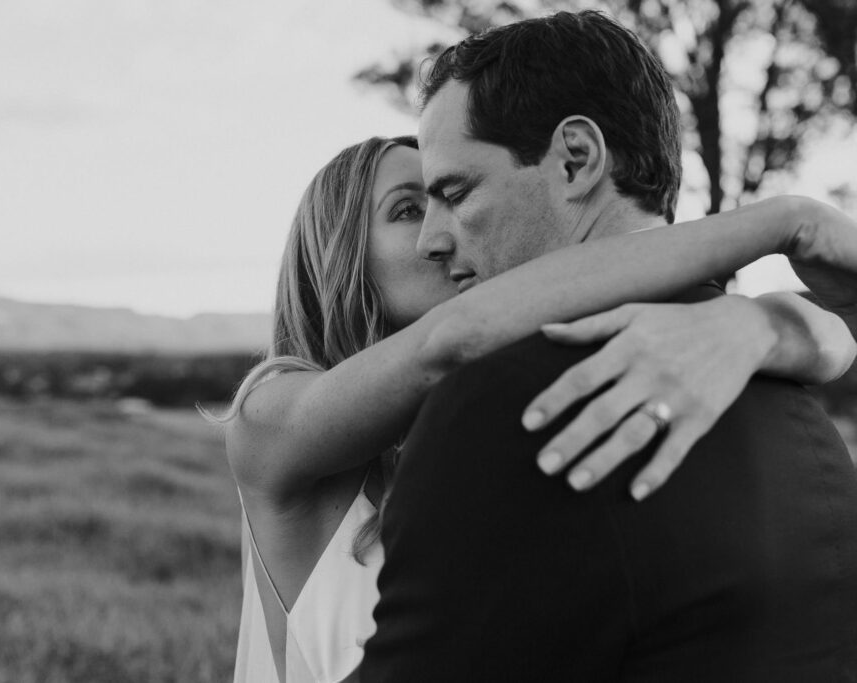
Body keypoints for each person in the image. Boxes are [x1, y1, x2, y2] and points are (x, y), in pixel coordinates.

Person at [221, 135, 857, 682]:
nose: (442, 234)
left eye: (452, 200)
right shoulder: (266, 416)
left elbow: (835, 339)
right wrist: (781, 225)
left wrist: (760, 325)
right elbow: (451, 340)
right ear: (337, 254)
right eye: (408, 209)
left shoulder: (482, 422)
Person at [358, 11, 857, 683]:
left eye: (455, 192)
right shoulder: (804, 417)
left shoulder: (507, 403)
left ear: (576, 160)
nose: (431, 240)